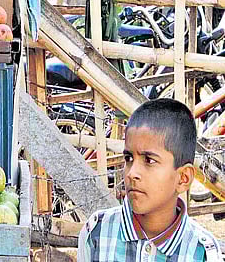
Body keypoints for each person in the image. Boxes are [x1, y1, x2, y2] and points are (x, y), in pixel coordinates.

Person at [78, 98, 222, 261]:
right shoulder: (97, 232)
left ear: (183, 178)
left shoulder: (201, 253)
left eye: (149, 160)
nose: (132, 173)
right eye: (128, 158)